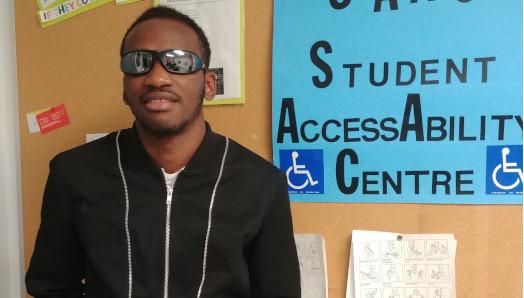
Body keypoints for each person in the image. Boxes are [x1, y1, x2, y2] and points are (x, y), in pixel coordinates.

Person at [26, 6, 301, 298]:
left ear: (209, 84)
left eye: (178, 62)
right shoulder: (74, 174)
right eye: (139, 62)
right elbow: (51, 287)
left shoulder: (260, 183)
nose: (157, 78)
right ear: (124, 87)